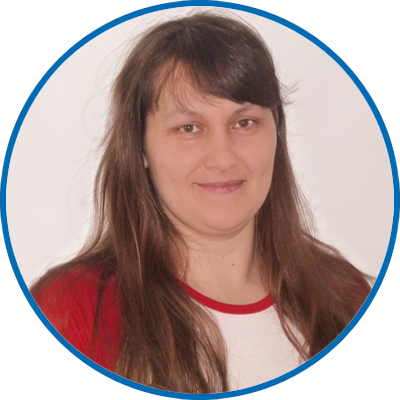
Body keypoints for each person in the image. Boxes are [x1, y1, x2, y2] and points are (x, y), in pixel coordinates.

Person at [31, 11, 371, 394]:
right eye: (188, 128)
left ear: (277, 131)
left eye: (244, 123)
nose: (223, 158)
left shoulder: (347, 299)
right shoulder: (75, 311)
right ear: (140, 147)